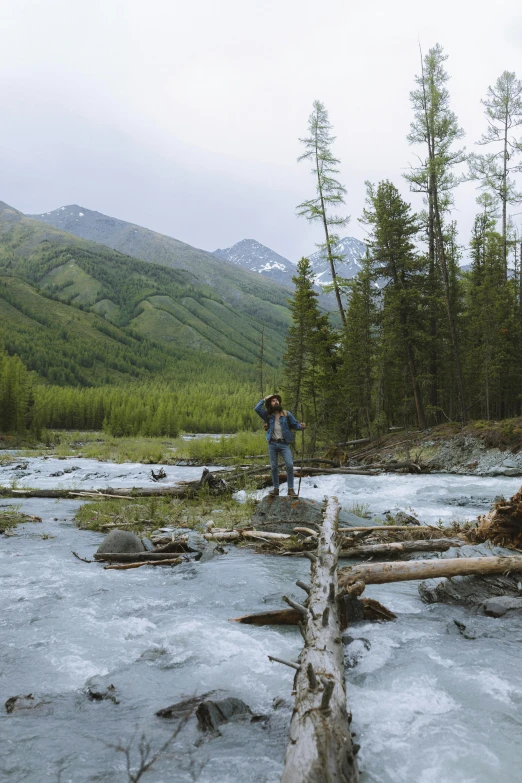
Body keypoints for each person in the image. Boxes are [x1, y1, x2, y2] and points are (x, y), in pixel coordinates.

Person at [254, 394, 306, 497]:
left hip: (284, 444)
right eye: (273, 401)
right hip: (272, 444)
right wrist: (264, 399)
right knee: (274, 467)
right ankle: (276, 489)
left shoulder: (287, 414)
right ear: (270, 404)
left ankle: (290, 490)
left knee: (290, 465)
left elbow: (295, 425)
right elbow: (257, 408)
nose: (276, 402)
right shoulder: (268, 416)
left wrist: (301, 426)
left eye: (277, 400)